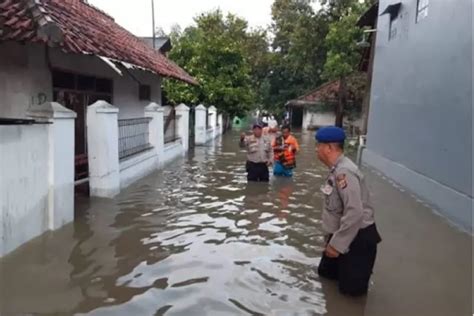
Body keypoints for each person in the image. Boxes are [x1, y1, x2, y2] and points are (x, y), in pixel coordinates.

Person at [315, 126, 381, 296]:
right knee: (326, 275)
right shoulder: (336, 170)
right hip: (341, 234)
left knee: (350, 295)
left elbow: (355, 213)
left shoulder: (344, 173)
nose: (316, 149)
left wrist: (336, 245)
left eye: (319, 145)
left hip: (356, 238)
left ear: (329, 147)